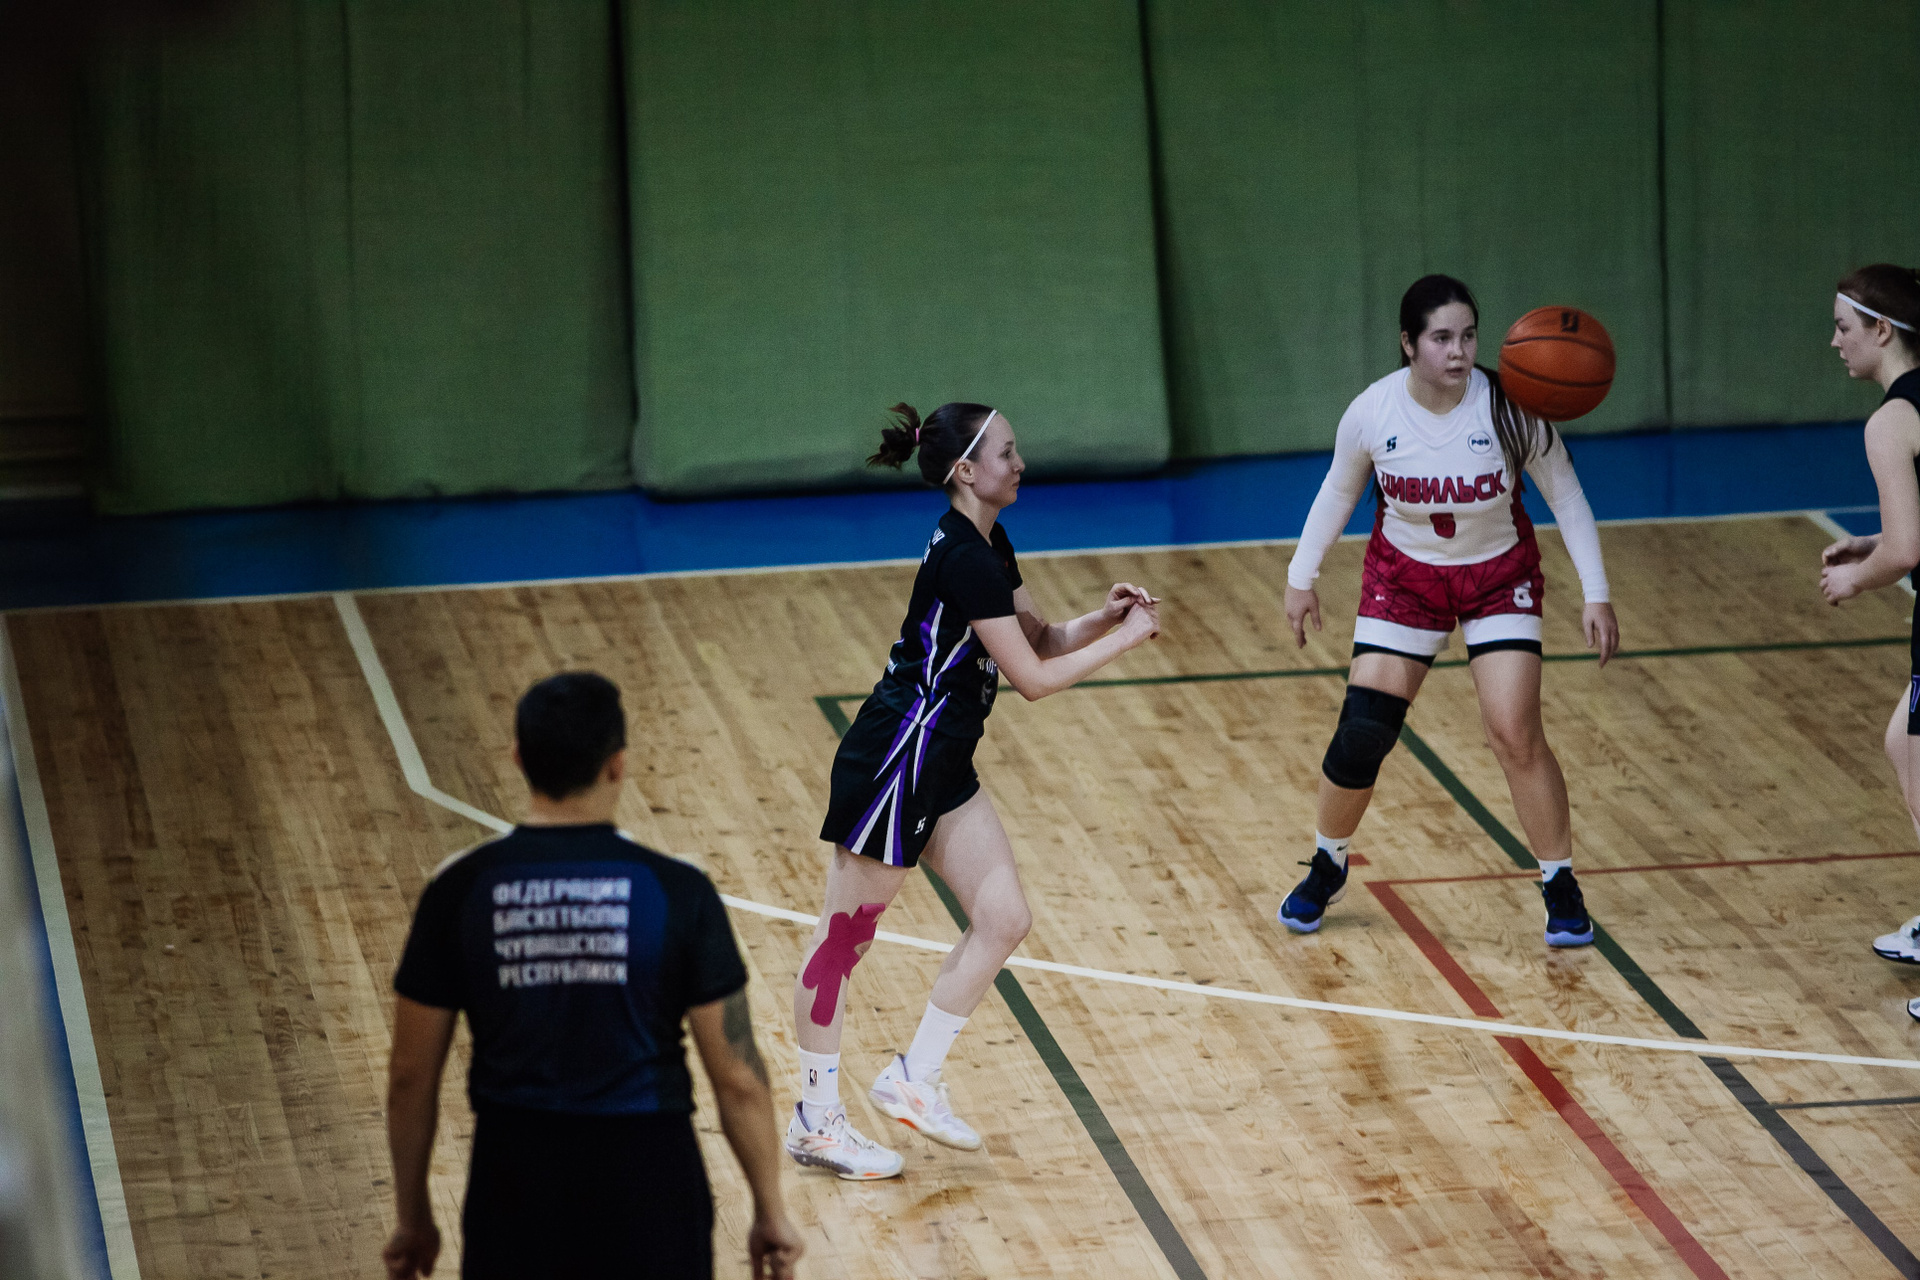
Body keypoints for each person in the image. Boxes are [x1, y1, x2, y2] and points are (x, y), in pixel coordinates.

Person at [784, 402, 1162, 1180]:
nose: (1020, 464)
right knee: (842, 942)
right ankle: (816, 1121)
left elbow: (1038, 640)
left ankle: (914, 1079)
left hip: (945, 761)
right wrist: (1127, 643)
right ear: (965, 470)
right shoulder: (964, 556)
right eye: (1006, 453)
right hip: (901, 757)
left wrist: (1103, 618)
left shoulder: (990, 542)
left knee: (1003, 918)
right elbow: (1032, 681)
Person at [381, 672, 803, 1280]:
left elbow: (409, 1075)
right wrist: (770, 1211)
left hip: (514, 1182)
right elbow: (737, 1075)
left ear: (519, 758)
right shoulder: (679, 890)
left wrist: (413, 1216)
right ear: (617, 764)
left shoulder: (459, 889)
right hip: (650, 1182)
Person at [1280, 275, 1619, 945]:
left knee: (1514, 732)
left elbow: (1568, 497)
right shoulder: (1373, 412)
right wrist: (1301, 577)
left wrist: (1597, 593)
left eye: (1468, 336)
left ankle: (1559, 881)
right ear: (1408, 344)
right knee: (1362, 732)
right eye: (1441, 338)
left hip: (1498, 577)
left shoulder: (1512, 409)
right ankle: (1328, 861)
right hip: (1404, 580)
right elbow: (1338, 492)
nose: (1459, 351)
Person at [1817, 265, 1920, 1023]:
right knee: (1904, 744)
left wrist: (1859, 578)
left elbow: (1910, 550)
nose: (1835, 342)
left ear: (1882, 331)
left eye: (1843, 327)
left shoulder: (1890, 421)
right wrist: (1871, 543)